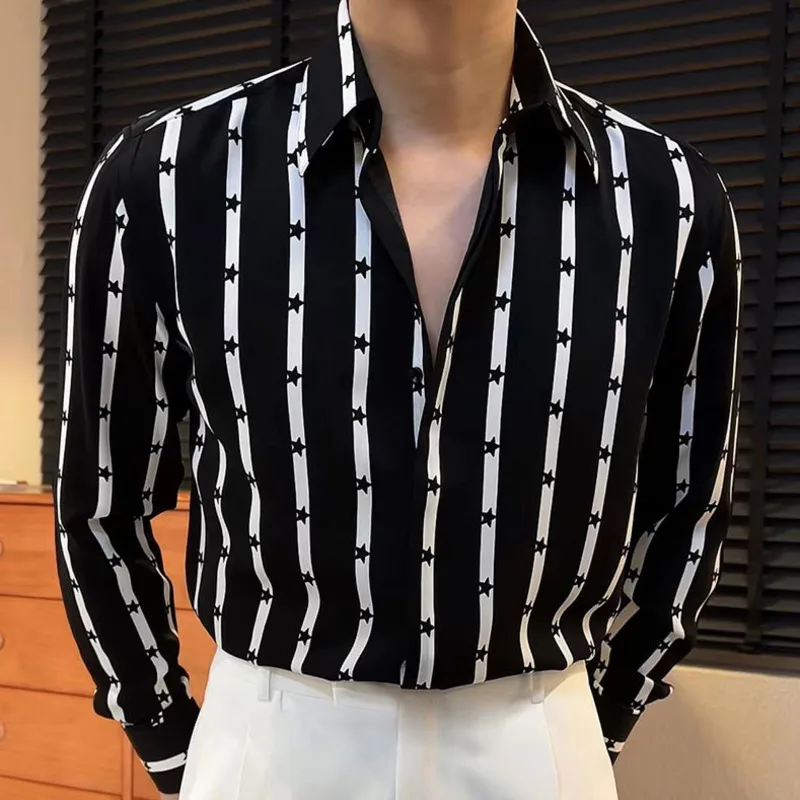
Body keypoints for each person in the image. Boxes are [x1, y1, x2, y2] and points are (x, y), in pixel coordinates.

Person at [56, 0, 741, 797]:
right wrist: (169, 735)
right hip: (274, 742)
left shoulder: (665, 199)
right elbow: (101, 499)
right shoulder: (171, 177)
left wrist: (597, 719)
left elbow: (689, 505)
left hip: (537, 738)